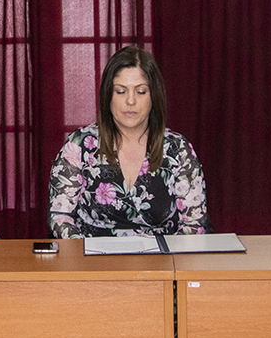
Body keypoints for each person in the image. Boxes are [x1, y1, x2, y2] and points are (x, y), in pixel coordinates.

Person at [48, 46, 212, 238]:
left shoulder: (177, 149)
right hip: (92, 253)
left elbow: (195, 222)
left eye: (141, 92)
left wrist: (169, 252)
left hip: (162, 254)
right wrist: (85, 250)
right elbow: (60, 217)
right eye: (121, 91)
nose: (131, 101)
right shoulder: (80, 145)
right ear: (108, 95)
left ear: (154, 96)